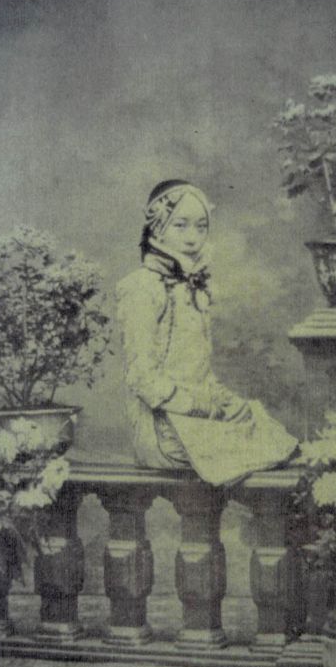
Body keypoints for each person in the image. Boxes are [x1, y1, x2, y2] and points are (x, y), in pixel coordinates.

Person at [116, 179, 299, 485]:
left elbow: (199, 371)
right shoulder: (141, 287)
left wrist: (225, 404)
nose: (193, 237)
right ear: (158, 227)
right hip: (160, 425)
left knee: (257, 421)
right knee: (250, 446)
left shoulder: (194, 287)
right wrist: (201, 407)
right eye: (181, 225)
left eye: (201, 227)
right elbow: (141, 378)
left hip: (194, 416)